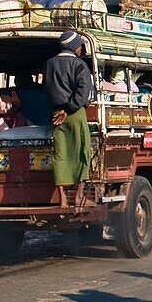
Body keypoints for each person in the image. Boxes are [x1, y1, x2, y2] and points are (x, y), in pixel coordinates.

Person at [43, 31, 95, 209]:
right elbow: (83, 90)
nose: (81, 49)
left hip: (56, 115)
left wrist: (59, 110)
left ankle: (62, 198)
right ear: (74, 47)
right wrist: (69, 108)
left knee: (60, 153)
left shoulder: (50, 64)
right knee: (81, 151)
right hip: (75, 113)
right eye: (80, 46)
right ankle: (79, 196)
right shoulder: (79, 64)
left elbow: (48, 89)